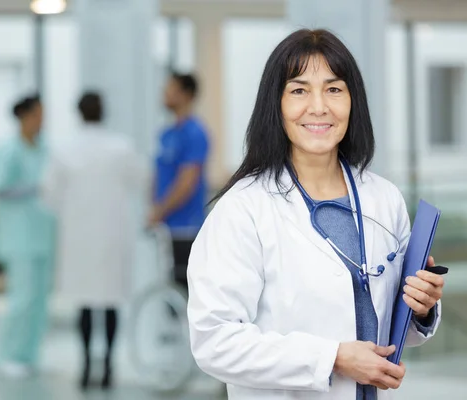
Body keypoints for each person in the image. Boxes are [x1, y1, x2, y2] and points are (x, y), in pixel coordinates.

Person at [187, 29, 445, 400]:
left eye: (334, 89)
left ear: (353, 100)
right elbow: (215, 341)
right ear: (275, 104)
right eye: (299, 90)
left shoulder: (384, 200)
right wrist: (331, 358)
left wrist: (421, 308)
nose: (319, 106)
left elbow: (382, 330)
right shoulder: (243, 209)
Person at [41, 92, 146, 390]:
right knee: (110, 301)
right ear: (104, 112)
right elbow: (141, 179)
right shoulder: (120, 147)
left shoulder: (63, 150)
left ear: (79, 113)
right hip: (113, 233)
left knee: (86, 303)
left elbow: (49, 195)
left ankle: (87, 365)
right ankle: (109, 366)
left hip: (80, 237)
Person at [0, 94, 56, 379]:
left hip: (43, 236)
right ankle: (9, 355)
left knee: (39, 300)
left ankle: (29, 355)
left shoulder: (44, 149)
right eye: (38, 114)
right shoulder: (8, 150)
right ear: (25, 116)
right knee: (22, 299)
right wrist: (34, 188)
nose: (42, 120)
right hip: (19, 238)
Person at [149, 72, 210, 294]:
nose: (165, 92)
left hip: (187, 228)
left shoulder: (195, 133)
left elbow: (187, 181)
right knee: (170, 293)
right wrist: (154, 210)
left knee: (187, 293)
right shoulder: (166, 134)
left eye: (171, 88)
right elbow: (157, 176)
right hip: (165, 228)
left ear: (186, 94)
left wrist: (160, 210)